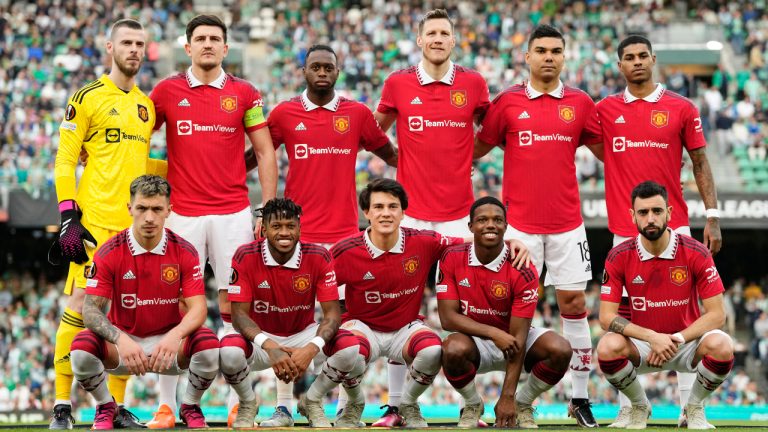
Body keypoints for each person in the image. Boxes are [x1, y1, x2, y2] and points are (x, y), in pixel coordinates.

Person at [306, 179, 529, 428]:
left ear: (403, 212)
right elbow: (315, 284)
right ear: (367, 212)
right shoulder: (345, 251)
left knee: (433, 350)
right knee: (350, 351)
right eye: (378, 207)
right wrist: (334, 318)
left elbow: (469, 241)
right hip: (363, 326)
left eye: (393, 206)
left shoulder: (423, 241)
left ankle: (407, 405)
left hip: (404, 328)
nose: (386, 213)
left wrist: (509, 243)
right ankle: (342, 405)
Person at [146, 14, 278, 428]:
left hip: (233, 213)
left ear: (226, 47)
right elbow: (136, 133)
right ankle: (169, 405)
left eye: (214, 39)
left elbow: (266, 151)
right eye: (200, 38)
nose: (207, 44)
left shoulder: (245, 93)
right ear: (187, 48)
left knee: (233, 307)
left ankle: (242, 401)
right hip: (181, 213)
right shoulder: (166, 91)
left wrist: (267, 208)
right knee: (173, 307)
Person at [590, 35, 723, 428]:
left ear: (653, 59)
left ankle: (689, 408)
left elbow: (699, 160)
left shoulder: (681, 107)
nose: (636, 63)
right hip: (622, 232)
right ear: (620, 65)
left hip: (676, 225)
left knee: (684, 316)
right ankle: (631, 405)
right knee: (627, 317)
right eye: (628, 58)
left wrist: (711, 214)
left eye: (642, 56)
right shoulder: (605, 109)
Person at [261, 44, 397, 427]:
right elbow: (257, 154)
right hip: (296, 236)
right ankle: (285, 406)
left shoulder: (355, 114)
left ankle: (345, 406)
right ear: (303, 70)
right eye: (315, 66)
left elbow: (391, 153)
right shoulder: (284, 112)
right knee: (289, 319)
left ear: (338, 71)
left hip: (343, 236)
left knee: (348, 322)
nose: (322, 72)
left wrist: (439, 166)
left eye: (329, 66)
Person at [474, 24, 602, 427]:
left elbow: (611, 155)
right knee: (510, 311)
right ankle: (497, 399)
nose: (549, 57)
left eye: (556, 51)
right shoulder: (507, 102)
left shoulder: (581, 103)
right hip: (518, 230)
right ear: (526, 56)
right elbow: (472, 151)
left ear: (565, 57)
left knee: (575, 306)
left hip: (567, 225)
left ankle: (580, 399)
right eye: (541, 50)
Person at [371, 9, 490, 426]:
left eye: (445, 33)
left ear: (453, 41)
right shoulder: (398, 83)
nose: (438, 38)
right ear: (419, 40)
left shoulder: (473, 84)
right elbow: (373, 132)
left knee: (466, 308)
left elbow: (491, 131)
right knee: (402, 310)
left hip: (460, 217)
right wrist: (397, 161)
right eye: (431, 33)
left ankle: (471, 402)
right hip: (412, 217)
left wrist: (467, 159)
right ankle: (397, 403)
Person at [50, 18, 164, 430]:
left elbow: (143, 166)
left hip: (134, 230)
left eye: (140, 44)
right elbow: (65, 159)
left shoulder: (146, 107)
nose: (134, 50)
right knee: (80, 307)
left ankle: (113, 409)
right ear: (109, 47)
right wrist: (68, 216)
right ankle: (62, 405)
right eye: (127, 43)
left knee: (122, 316)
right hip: (95, 224)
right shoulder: (86, 97)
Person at [69, 175, 220, 430]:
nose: (149, 217)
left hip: (169, 348)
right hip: (124, 348)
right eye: (142, 208)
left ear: (169, 211)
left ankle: (190, 405)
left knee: (208, 345)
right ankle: (106, 405)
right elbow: (90, 311)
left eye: (157, 209)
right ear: (130, 209)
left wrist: (175, 336)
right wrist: (120, 338)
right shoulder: (109, 252)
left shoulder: (184, 250)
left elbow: (199, 309)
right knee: (81, 348)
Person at [597, 181, 734, 430]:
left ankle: (693, 408)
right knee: (607, 347)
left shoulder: (696, 252)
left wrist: (676, 339)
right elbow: (607, 317)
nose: (651, 218)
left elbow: (717, 315)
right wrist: (652, 337)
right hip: (644, 345)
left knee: (722, 345)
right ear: (632, 216)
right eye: (643, 212)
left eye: (657, 211)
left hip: (686, 343)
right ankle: (639, 405)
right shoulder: (618, 255)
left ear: (669, 213)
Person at [219, 198, 364, 428]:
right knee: (228, 352)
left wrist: (311, 347)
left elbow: (333, 315)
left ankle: (312, 400)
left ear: (300, 228)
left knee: (351, 347)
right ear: (263, 229)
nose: (284, 232)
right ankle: (247, 403)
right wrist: (269, 346)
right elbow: (238, 315)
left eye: (290, 225)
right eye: (277, 226)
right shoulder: (244, 255)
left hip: (302, 336)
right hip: (261, 339)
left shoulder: (318, 255)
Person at [437, 196, 572, 428]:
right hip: (475, 339)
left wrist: (507, 397)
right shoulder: (451, 257)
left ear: (506, 226)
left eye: (498, 220)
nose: (490, 224)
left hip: (514, 337)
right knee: (451, 349)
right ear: (470, 226)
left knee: (560, 350)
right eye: (482, 220)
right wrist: (492, 332)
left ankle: (524, 402)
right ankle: (472, 404)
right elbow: (447, 318)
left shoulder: (523, 268)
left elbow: (517, 338)